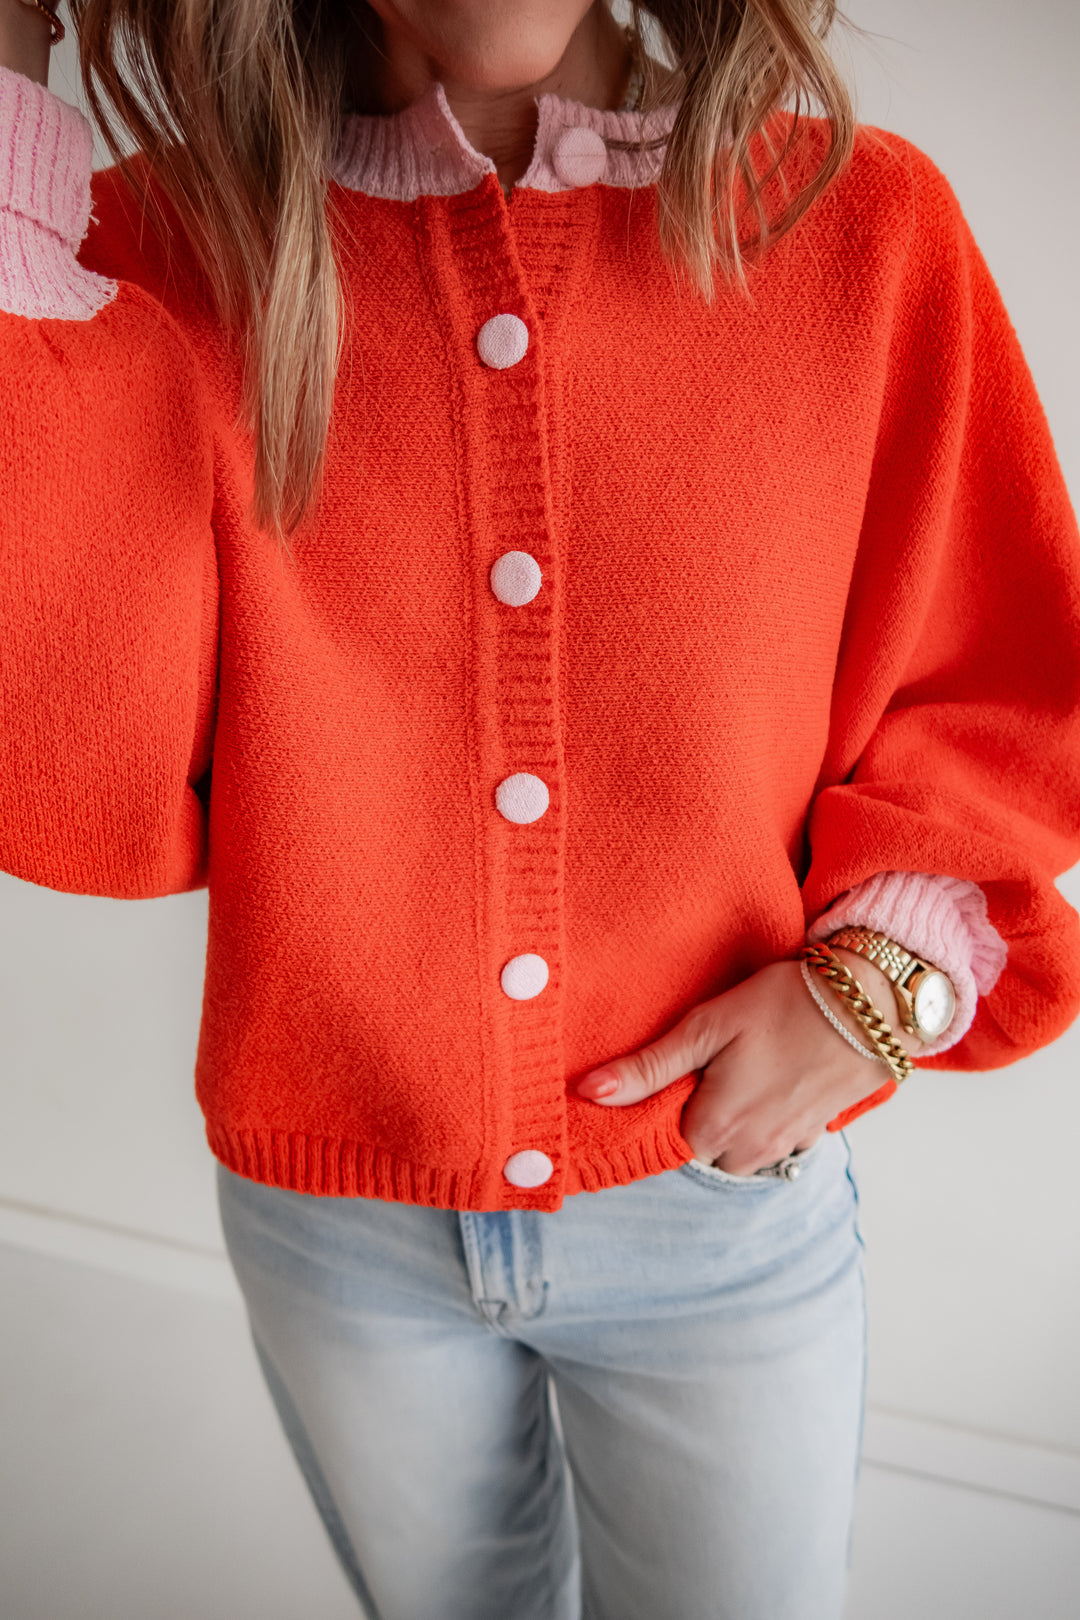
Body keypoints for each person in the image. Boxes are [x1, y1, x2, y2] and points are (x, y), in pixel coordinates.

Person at [2, 2, 1078, 1616]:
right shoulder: (161, 255)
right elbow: (72, 758)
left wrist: (879, 989)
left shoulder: (853, 228)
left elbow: (992, 685)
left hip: (716, 1203)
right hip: (331, 1216)